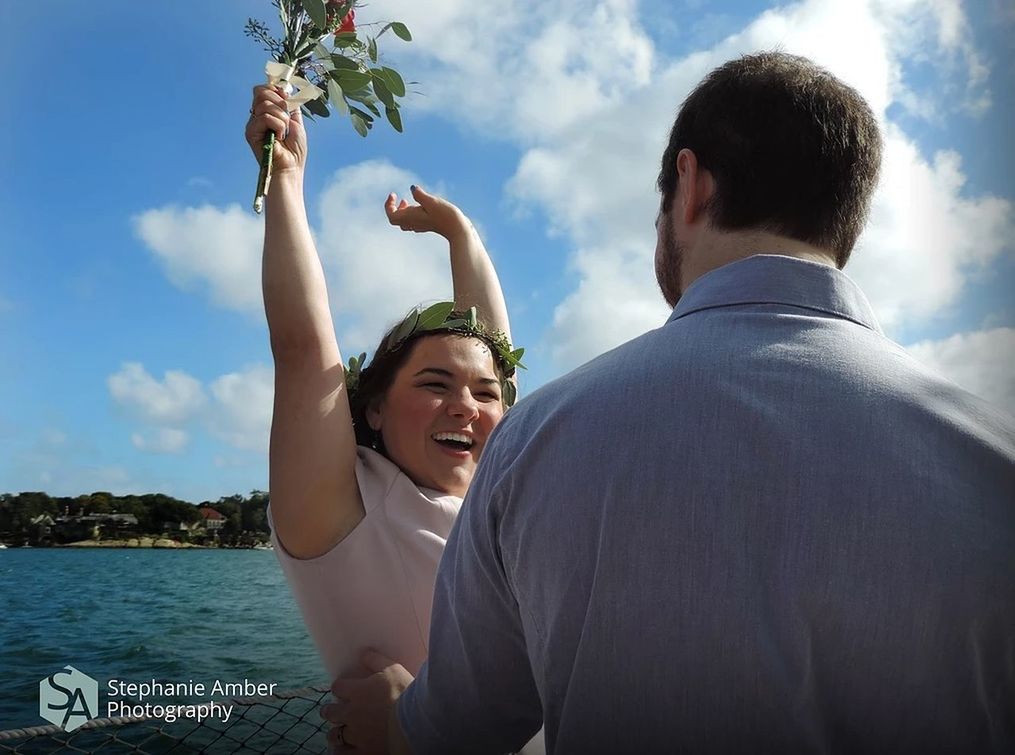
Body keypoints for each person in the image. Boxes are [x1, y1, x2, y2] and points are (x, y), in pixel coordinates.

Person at [331, 52, 1015, 754]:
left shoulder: (538, 439)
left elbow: (454, 733)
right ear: (847, 219)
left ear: (688, 185)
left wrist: (393, 714)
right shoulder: (994, 457)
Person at [242, 84, 523, 686]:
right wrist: (286, 181)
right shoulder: (347, 515)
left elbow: (497, 367)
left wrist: (463, 237)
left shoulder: (497, 502)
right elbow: (302, 352)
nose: (465, 407)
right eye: (434, 384)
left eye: (485, 394)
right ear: (371, 409)